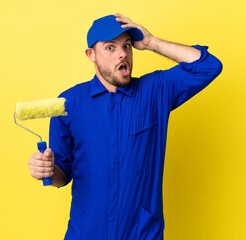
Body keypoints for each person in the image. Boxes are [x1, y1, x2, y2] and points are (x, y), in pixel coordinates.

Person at [28, 13, 223, 240]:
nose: (123, 54)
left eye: (127, 46)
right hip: (86, 234)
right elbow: (63, 172)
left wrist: (152, 42)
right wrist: (50, 170)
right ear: (91, 54)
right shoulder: (68, 104)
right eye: (110, 48)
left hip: (141, 233)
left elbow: (209, 66)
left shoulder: (155, 91)